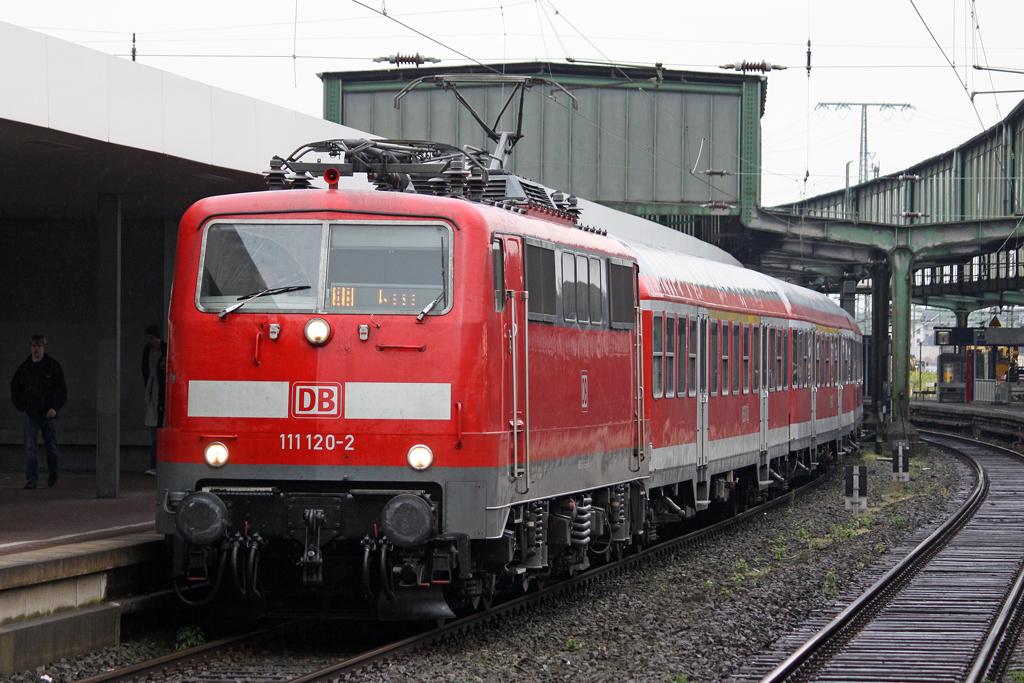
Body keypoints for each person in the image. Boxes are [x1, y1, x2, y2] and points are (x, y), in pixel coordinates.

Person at [10, 335, 67, 489]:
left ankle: (53, 472)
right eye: (34, 346)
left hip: (49, 415)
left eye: (39, 346)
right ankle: (32, 479)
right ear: (31, 347)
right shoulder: (24, 368)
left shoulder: (53, 366)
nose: (36, 349)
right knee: (30, 447)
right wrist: (22, 406)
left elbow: (61, 391)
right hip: (32, 414)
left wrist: (54, 408)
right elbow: (15, 388)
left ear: (44, 348)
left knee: (52, 447)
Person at [142, 325, 167, 475]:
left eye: (151, 338)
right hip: (154, 401)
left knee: (159, 437)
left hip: (161, 402)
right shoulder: (148, 352)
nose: (149, 341)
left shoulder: (165, 350)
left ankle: (159, 466)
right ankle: (155, 466)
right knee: (155, 438)